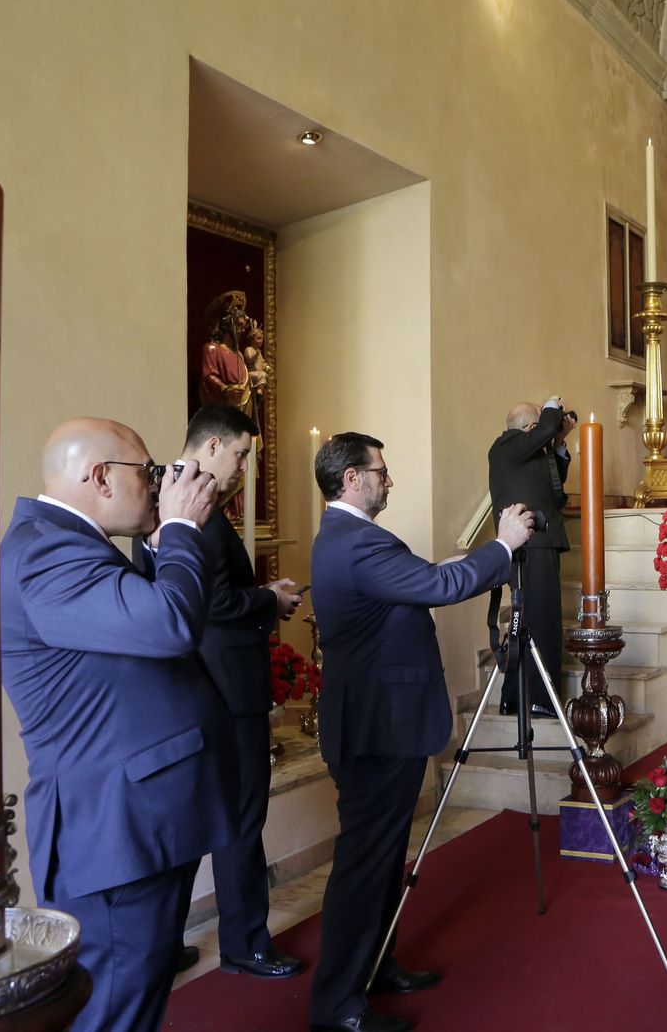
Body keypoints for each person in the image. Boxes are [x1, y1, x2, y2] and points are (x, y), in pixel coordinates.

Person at [0, 418, 236, 1032]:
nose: (158, 484)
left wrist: (161, 542)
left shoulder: (68, 541)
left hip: (139, 818)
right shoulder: (45, 551)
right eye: (148, 472)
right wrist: (181, 529)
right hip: (112, 829)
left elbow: (128, 634)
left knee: (138, 997)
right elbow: (168, 625)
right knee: (112, 1011)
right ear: (101, 477)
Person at [307, 431, 534, 1032]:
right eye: (380, 471)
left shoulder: (349, 538)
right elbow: (438, 588)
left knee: (383, 858)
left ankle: (376, 965)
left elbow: (423, 577)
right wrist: (503, 545)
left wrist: (473, 561)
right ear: (352, 478)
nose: (388, 480)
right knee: (364, 867)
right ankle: (337, 1006)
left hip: (383, 722)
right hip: (377, 727)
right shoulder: (358, 541)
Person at [149, 405, 304, 979]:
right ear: (211, 445)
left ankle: (162, 945)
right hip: (228, 687)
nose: (243, 467)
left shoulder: (164, 496)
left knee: (193, 819)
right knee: (240, 816)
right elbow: (211, 603)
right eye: (240, 454)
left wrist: (260, 593)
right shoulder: (197, 508)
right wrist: (270, 600)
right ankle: (245, 944)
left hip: (188, 684)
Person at [487, 398, 575, 717]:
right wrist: (550, 406)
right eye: (540, 420)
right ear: (529, 426)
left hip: (538, 542)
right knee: (542, 621)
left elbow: (554, 491)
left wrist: (559, 441)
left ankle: (513, 697)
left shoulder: (527, 452)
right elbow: (545, 427)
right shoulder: (505, 446)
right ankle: (541, 698)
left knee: (527, 621)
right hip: (531, 544)